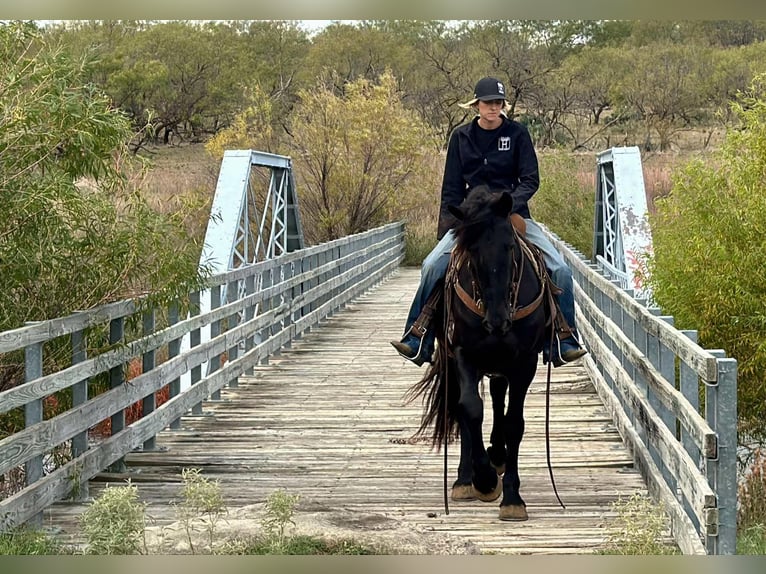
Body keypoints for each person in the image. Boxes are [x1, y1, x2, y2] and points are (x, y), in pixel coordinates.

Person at [390, 76, 587, 368]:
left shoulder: (518, 134)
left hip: (512, 213)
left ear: (502, 105)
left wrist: (509, 203)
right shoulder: (461, 137)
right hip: (472, 219)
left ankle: (563, 339)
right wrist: (447, 230)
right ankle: (419, 336)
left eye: (498, 103)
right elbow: (452, 189)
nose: (493, 108)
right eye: (487, 103)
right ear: (476, 105)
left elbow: (530, 179)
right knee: (432, 265)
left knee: (559, 269)